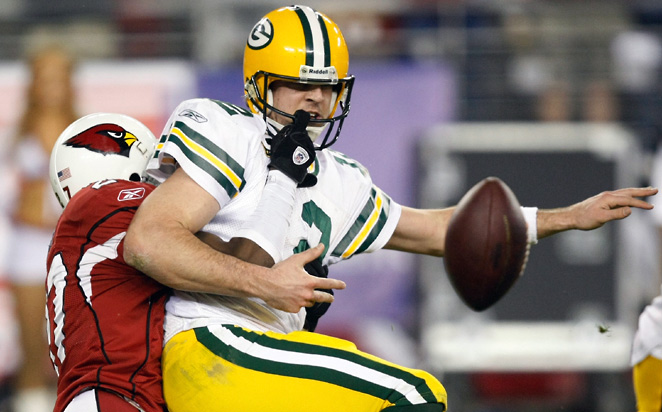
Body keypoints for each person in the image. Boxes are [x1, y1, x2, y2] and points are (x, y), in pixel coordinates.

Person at [122, 5, 658, 411]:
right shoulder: (226, 130)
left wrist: (564, 216)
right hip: (211, 342)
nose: (314, 100)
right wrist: (262, 284)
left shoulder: (339, 178)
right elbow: (149, 242)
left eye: (326, 88)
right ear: (258, 86)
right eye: (298, 85)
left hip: (266, 357)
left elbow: (439, 231)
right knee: (412, 393)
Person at [46, 112, 335, 412]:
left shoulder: (92, 229)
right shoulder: (109, 201)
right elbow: (245, 261)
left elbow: (212, 280)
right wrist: (283, 178)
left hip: (113, 397)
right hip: (112, 397)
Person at [8, 43, 79, 412]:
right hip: (27, 248)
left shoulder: (86, 130)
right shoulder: (17, 134)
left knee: (75, 347)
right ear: (33, 83)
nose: (52, 84)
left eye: (59, 75)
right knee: (32, 351)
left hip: (72, 250)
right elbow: (13, 198)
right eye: (44, 76)